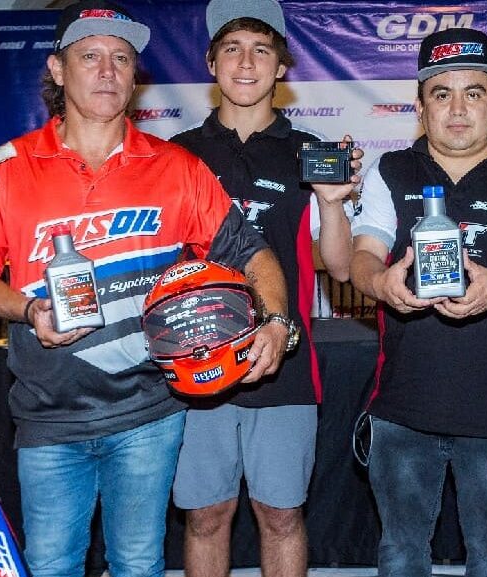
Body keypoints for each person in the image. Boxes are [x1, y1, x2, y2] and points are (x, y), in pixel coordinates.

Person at [0, 2, 291, 575]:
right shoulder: (9, 168)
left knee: (138, 563)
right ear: (58, 70)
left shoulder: (176, 166)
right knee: (52, 566)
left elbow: (252, 252)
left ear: (135, 76)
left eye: (121, 58)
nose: (107, 71)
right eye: (90, 56)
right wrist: (28, 309)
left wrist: (275, 322)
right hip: (50, 417)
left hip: (148, 413)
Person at [349, 27, 487, 577]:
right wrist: (382, 284)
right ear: (421, 108)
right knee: (401, 554)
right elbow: (361, 257)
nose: (459, 109)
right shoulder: (391, 171)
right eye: (442, 94)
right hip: (402, 409)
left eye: (474, 93)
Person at [167, 0, 362, 576]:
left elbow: (341, 268)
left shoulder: (311, 151)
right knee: (206, 516)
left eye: (261, 50)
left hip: (285, 365)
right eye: (232, 49)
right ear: (211, 63)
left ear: (281, 67)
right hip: (194, 361)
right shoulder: (176, 154)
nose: (247, 63)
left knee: (280, 517)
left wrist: (333, 204)